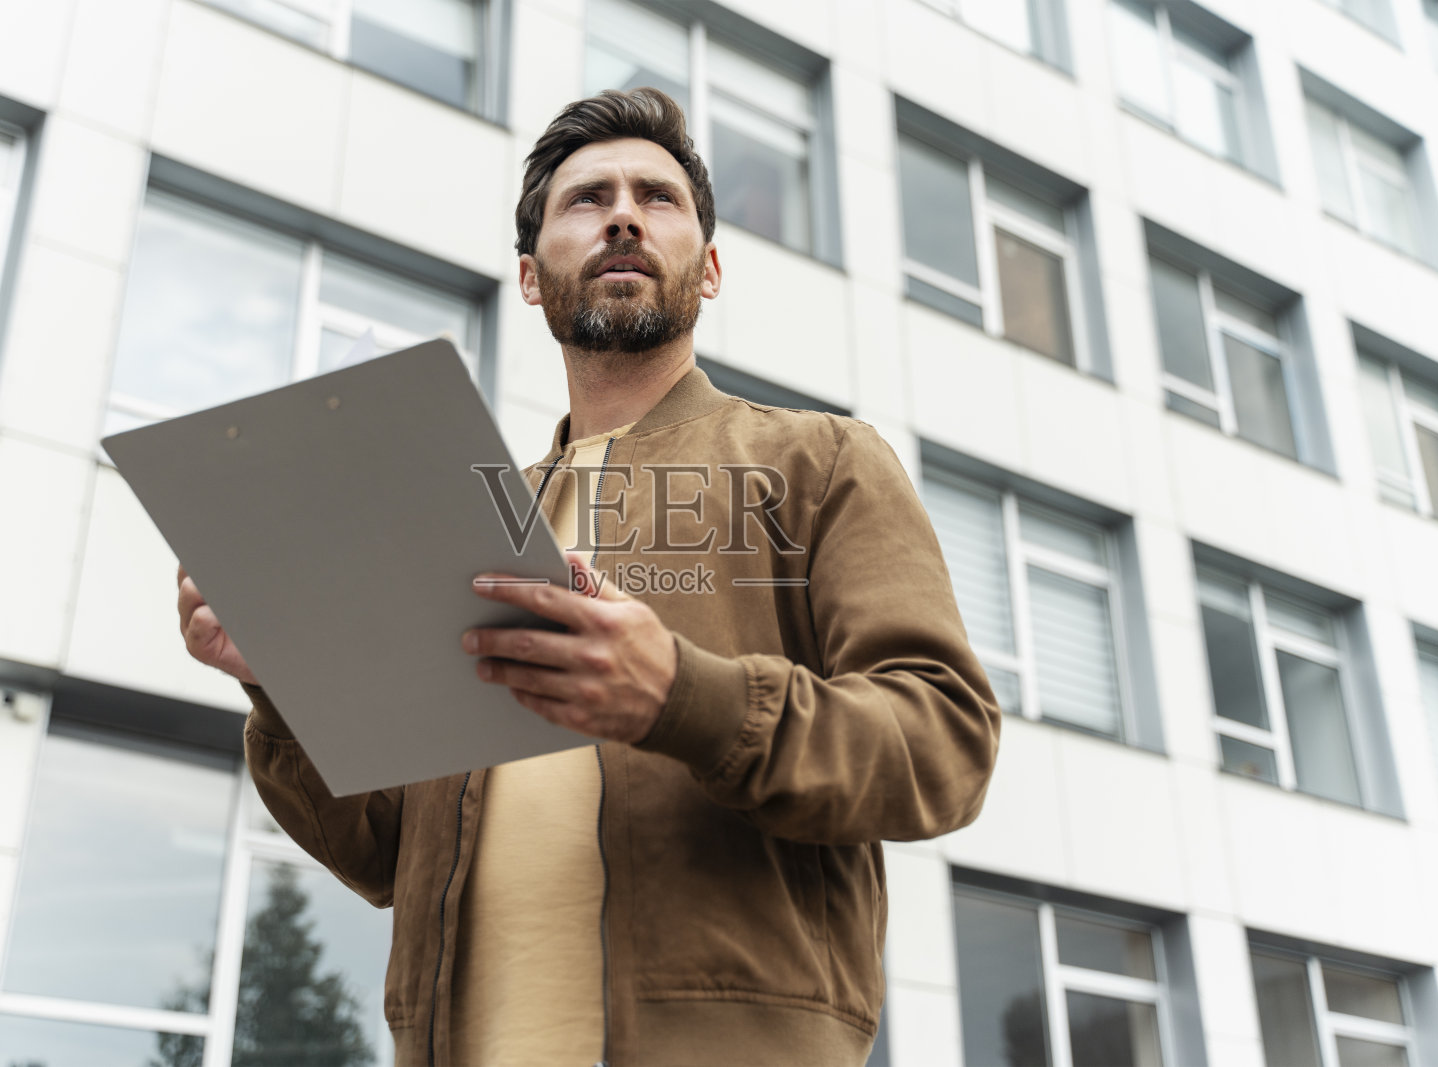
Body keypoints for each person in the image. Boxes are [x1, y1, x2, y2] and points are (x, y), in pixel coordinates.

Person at [176, 87, 1000, 1067]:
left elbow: (944, 743)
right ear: (530, 279)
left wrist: (683, 698)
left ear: (710, 268)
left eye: (656, 197)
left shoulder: (820, 461)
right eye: (585, 199)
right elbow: (386, 847)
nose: (621, 213)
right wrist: (277, 679)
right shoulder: (463, 511)